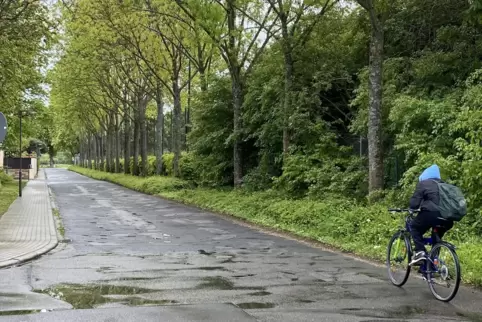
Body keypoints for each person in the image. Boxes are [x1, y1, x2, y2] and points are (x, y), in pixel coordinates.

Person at [408, 164, 453, 265]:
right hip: (448, 218)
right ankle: (433, 262)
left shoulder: (423, 184)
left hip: (432, 214)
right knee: (436, 238)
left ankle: (420, 252)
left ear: (424, 176)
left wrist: (411, 209)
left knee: (414, 227)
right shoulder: (444, 185)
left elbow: (414, 204)